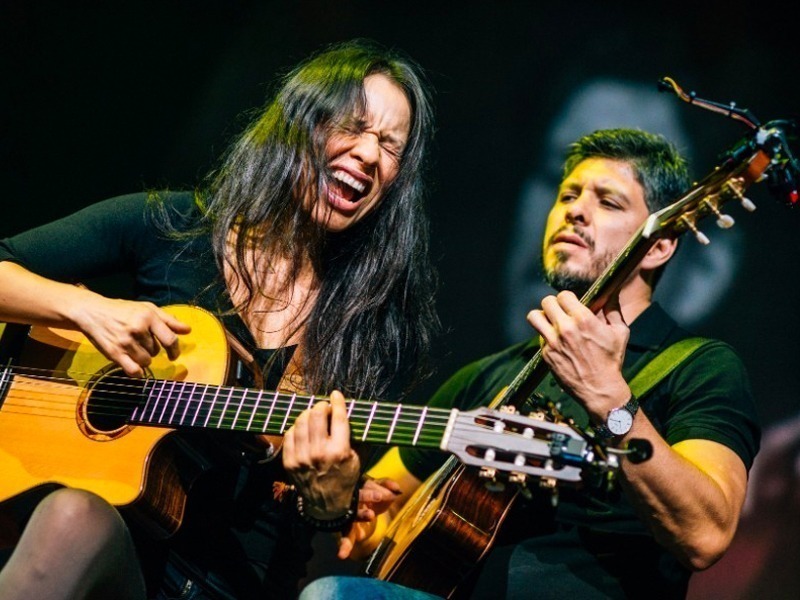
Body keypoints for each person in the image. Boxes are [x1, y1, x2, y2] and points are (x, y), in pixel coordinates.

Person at [0, 38, 438, 599]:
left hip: (224, 584)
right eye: (352, 125)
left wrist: (329, 502)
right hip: (96, 548)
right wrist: (90, 309)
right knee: (73, 517)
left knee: (71, 519)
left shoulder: (374, 326)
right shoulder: (170, 223)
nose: (369, 154)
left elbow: (324, 517)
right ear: (298, 124)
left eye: (390, 145)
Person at [296, 128, 761, 599]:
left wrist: (609, 398)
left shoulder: (699, 367)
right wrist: (339, 504)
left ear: (660, 244)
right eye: (567, 194)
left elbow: (705, 535)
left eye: (609, 202)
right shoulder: (488, 377)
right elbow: (373, 530)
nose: (574, 210)